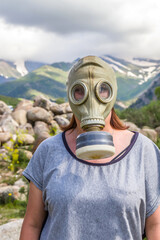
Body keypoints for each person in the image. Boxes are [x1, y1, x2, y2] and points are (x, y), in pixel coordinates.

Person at [19, 56, 160, 240]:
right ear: (70, 96)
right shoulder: (48, 151)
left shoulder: (144, 151)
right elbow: (32, 224)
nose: (91, 100)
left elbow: (155, 224)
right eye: (80, 91)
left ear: (112, 94)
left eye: (102, 90)